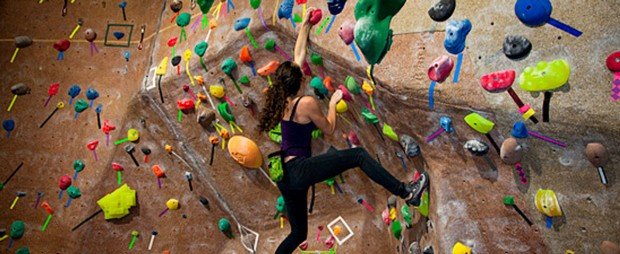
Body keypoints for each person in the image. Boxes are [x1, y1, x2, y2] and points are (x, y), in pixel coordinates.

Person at [257, 8, 429, 254]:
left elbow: (299, 54)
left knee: (298, 233)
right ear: (299, 82)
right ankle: (407, 192)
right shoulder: (305, 103)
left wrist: (305, 26)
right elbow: (328, 129)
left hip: (285, 176)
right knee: (357, 156)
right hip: (298, 170)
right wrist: (334, 103)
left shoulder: (282, 98)